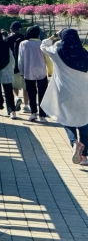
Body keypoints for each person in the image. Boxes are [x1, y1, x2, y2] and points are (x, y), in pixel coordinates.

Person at [41, 28, 88, 164]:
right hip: (84, 92)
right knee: (85, 122)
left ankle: (74, 143)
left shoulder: (57, 52)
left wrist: (54, 36)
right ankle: (84, 155)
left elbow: (43, 45)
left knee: (66, 119)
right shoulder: (84, 54)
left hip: (64, 93)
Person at [18, 25, 49, 122]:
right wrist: (50, 70)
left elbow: (20, 59)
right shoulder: (42, 44)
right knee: (42, 94)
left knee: (31, 93)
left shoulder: (23, 43)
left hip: (28, 71)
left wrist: (21, 71)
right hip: (42, 72)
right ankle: (42, 116)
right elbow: (47, 58)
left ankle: (33, 113)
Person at [7, 21, 26, 111]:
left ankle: (17, 98)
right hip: (25, 67)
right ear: (20, 29)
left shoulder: (7, 39)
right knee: (26, 87)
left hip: (13, 67)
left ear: (11, 29)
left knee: (14, 86)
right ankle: (26, 105)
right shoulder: (25, 38)